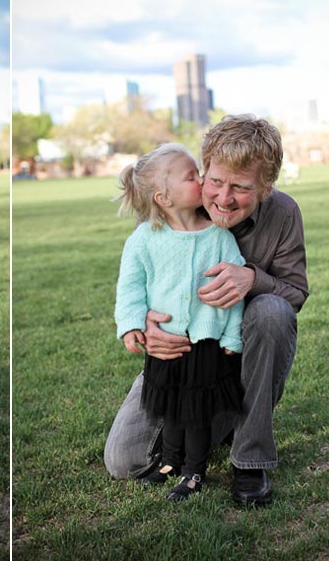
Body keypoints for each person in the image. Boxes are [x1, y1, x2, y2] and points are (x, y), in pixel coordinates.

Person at [104, 114, 309, 505]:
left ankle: (249, 459)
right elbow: (137, 280)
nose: (223, 198)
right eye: (215, 181)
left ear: (266, 187)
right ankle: (224, 420)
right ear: (202, 171)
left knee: (272, 311)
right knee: (124, 460)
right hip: (180, 362)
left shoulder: (283, 215)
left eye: (242, 187)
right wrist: (144, 321)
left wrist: (253, 278)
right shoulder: (169, 214)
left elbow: (296, 291)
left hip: (241, 354)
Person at [114, 143, 245, 501]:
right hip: (164, 345)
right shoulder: (144, 239)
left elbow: (233, 295)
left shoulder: (220, 237)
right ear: (164, 198)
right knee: (170, 404)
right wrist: (130, 324)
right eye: (192, 177)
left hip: (204, 342)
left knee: (196, 410)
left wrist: (233, 335)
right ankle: (170, 461)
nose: (202, 181)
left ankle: (194, 471)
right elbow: (130, 286)